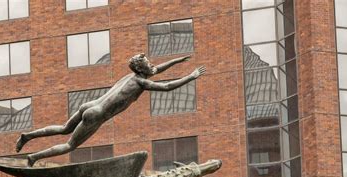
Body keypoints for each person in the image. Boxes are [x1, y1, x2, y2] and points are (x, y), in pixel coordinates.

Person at [16, 53, 206, 166]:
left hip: (89, 105)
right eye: (148, 63)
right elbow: (166, 87)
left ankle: (28, 136)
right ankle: (34, 157)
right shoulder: (141, 82)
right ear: (142, 69)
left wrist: (177, 61)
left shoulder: (130, 76)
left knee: (64, 127)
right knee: (69, 146)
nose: (152, 66)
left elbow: (156, 70)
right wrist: (191, 76)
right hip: (96, 114)